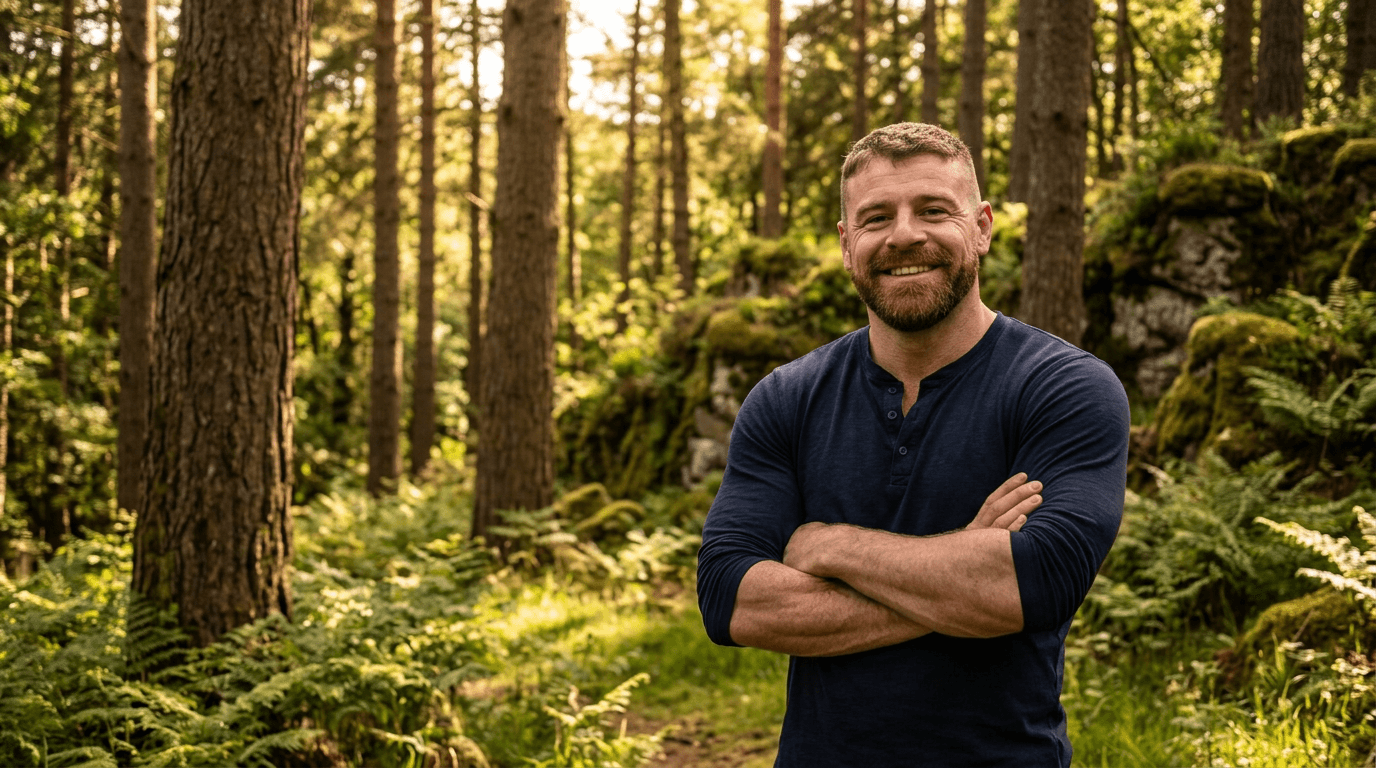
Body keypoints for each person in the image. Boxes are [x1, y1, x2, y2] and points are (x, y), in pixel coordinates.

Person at [695, 122, 1130, 767]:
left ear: (981, 226)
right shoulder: (785, 398)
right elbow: (731, 600)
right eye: (876, 218)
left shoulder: (1064, 388)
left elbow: (1033, 583)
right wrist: (961, 572)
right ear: (848, 244)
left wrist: (829, 545)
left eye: (933, 210)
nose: (904, 235)